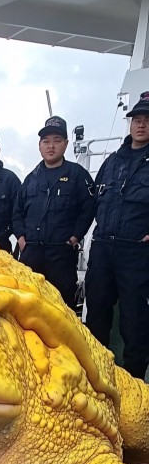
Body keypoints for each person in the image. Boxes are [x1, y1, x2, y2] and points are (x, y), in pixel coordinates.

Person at [85, 92, 149, 379]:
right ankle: (96, 376)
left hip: (136, 252)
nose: (141, 125)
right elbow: (93, 200)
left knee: (134, 320)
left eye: (147, 120)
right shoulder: (112, 161)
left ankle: (135, 381)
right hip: (103, 247)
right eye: (137, 119)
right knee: (96, 311)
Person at [12, 116, 95, 309]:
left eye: (57, 141)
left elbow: (89, 208)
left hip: (61, 255)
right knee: (26, 308)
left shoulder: (78, 176)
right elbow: (17, 211)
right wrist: (22, 240)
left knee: (61, 310)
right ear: (39, 146)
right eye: (46, 141)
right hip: (31, 254)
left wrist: (74, 238)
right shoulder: (30, 179)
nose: (51, 146)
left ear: (66, 144)